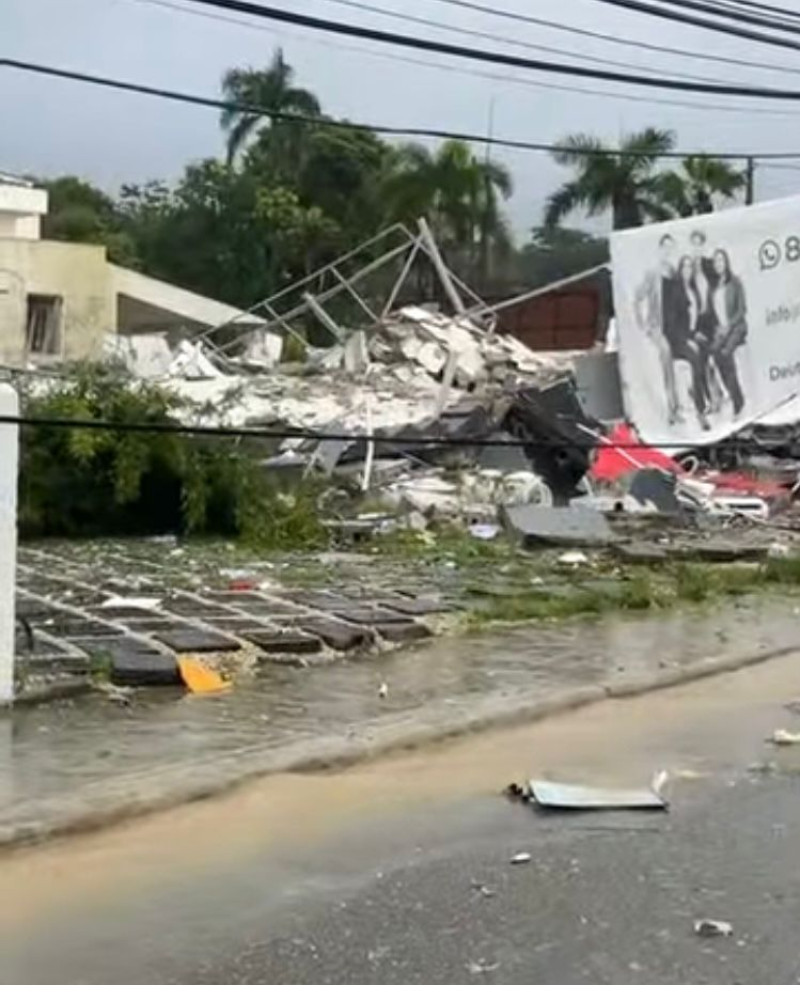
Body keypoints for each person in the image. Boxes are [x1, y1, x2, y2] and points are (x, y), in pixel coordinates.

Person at [634, 233, 682, 424]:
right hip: (658, 326)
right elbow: (637, 298)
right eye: (665, 247)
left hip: (674, 326)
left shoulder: (673, 271)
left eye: (671, 247)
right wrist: (642, 324)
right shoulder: (652, 273)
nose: (668, 251)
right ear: (660, 249)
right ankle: (671, 410)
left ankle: (681, 407)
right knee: (666, 358)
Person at [666, 256, 710, 430]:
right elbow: (672, 322)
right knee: (695, 357)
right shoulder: (675, 291)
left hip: (691, 334)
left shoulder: (693, 289)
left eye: (690, 267)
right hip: (678, 339)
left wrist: (696, 333)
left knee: (709, 349)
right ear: (680, 269)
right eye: (684, 267)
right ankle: (700, 410)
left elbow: (695, 317)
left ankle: (702, 392)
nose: (688, 270)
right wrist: (686, 339)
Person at [690, 229, 725, 414]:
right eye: (693, 243)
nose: (696, 247)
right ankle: (711, 398)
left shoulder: (710, 266)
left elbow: (720, 287)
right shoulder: (686, 269)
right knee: (701, 361)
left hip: (712, 317)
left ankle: (719, 393)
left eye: (699, 243)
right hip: (697, 322)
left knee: (715, 358)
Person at [710, 248, 747, 417]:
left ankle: (738, 402)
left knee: (725, 354)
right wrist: (719, 328)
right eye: (716, 261)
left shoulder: (735, 282)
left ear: (726, 262)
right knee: (715, 355)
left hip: (737, 327)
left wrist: (729, 327)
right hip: (722, 331)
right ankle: (733, 395)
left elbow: (741, 310)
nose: (719, 263)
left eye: (721, 260)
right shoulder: (715, 287)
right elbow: (715, 314)